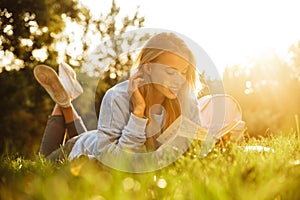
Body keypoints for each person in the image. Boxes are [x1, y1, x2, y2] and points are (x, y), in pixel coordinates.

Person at [35, 32, 201, 171]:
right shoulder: (117, 97)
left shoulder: (186, 97)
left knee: (87, 136)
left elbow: (192, 149)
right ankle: (64, 103)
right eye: (171, 72)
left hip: (98, 139)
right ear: (148, 67)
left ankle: (66, 99)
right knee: (41, 164)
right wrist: (138, 112)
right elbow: (118, 163)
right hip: (82, 147)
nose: (179, 80)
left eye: (184, 72)